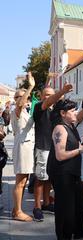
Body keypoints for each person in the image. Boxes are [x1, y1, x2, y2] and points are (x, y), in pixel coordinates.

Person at [47, 99, 83, 240]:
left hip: (72, 172)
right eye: (72, 110)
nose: (75, 112)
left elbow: (80, 116)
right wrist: (80, 150)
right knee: (65, 208)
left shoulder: (70, 125)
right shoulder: (59, 129)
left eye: (75, 109)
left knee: (80, 204)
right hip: (62, 174)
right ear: (63, 113)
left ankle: (80, 230)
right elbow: (60, 155)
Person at [32, 82, 73, 222]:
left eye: (51, 94)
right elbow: (49, 101)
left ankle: (46, 203)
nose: (49, 97)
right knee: (40, 178)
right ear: (41, 96)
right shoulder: (39, 107)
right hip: (43, 147)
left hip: (54, 148)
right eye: (47, 94)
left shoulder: (55, 110)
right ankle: (37, 207)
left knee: (49, 177)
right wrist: (62, 91)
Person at [11, 72, 35, 222]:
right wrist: (30, 86)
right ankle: (18, 211)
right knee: (20, 181)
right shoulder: (17, 110)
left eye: (25, 95)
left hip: (27, 147)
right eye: (20, 96)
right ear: (16, 99)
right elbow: (20, 104)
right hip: (22, 147)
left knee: (24, 180)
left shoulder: (25, 111)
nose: (24, 98)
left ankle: (16, 208)